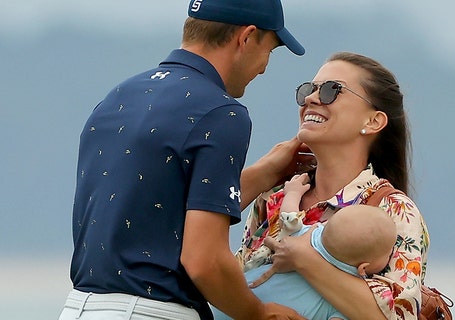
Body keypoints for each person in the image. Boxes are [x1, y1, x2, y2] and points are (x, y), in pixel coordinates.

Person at [58, 0, 307, 319]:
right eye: (269, 51)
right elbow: (203, 260)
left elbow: (167, 214)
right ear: (246, 38)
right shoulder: (221, 113)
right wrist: (259, 313)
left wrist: (265, 172)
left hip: (79, 307)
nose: (263, 67)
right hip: (150, 311)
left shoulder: (118, 97)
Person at [236, 52, 430, 319]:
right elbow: (235, 280)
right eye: (309, 89)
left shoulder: (393, 209)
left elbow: (398, 315)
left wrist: (305, 259)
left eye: (331, 90)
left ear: (373, 121)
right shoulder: (274, 197)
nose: (310, 99)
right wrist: (262, 172)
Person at [212, 173, 397, 319]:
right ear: (364, 267)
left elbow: (289, 216)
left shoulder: (306, 235)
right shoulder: (343, 298)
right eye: (389, 253)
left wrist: (292, 192)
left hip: (222, 302)